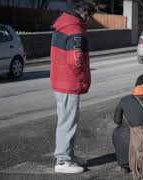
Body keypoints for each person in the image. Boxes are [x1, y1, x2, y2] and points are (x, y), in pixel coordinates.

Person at [50, 1, 96, 174]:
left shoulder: (62, 24)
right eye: (89, 17)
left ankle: (69, 155)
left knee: (68, 120)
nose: (89, 21)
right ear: (84, 13)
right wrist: (83, 78)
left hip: (60, 80)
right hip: (69, 82)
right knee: (67, 122)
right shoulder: (75, 30)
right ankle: (62, 160)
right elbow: (76, 60)